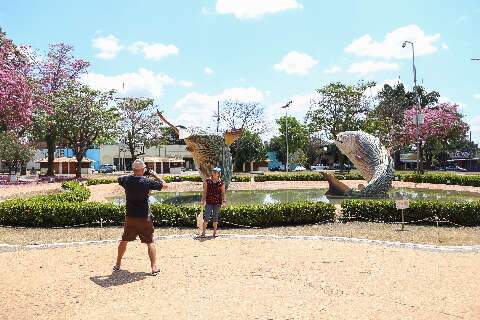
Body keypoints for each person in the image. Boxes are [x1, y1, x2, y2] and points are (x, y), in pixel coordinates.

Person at [113, 159, 168, 276]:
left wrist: (133, 173)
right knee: (150, 241)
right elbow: (165, 185)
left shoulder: (126, 180)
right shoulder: (147, 181)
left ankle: (117, 264)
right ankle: (153, 267)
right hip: (144, 216)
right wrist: (155, 175)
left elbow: (119, 178)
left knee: (124, 240)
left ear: (133, 169)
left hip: (130, 216)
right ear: (143, 169)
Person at [200, 167, 226, 237]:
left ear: (219, 174)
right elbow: (205, 191)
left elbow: (223, 193)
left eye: (216, 172)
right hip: (209, 201)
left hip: (217, 202)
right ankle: (203, 232)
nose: (214, 172)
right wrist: (202, 200)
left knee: (215, 217)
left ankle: (214, 232)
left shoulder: (221, 182)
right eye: (213, 171)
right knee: (206, 217)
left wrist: (224, 201)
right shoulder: (207, 180)